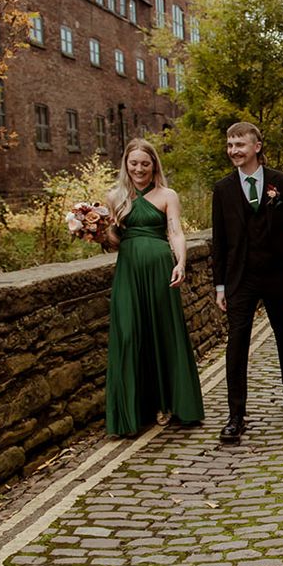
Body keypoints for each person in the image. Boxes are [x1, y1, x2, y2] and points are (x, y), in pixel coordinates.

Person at [212, 122, 283, 445]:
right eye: (230, 145)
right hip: (239, 278)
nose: (233, 150)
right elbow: (219, 240)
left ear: (256, 146)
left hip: (276, 275)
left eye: (240, 144)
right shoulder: (223, 189)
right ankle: (235, 415)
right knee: (237, 342)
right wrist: (219, 286)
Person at [104, 138, 205, 436]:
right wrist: (94, 231)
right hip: (129, 272)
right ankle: (133, 412)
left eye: (144, 164)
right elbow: (114, 241)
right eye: (133, 163)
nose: (139, 169)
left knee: (164, 331)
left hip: (161, 269)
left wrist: (181, 263)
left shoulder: (167, 195)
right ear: (126, 164)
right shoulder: (115, 197)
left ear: (154, 165)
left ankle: (170, 403)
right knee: (128, 333)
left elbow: (175, 232)